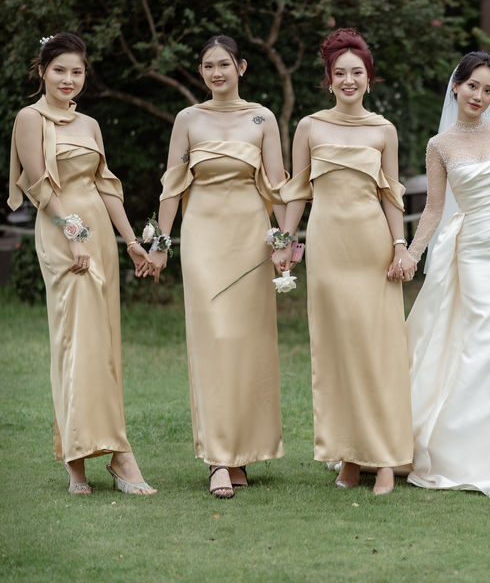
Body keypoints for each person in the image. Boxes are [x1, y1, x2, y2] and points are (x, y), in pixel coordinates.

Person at [7, 32, 156, 495]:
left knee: (103, 344)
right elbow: (39, 186)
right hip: (62, 236)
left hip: (99, 238)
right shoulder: (30, 119)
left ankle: (116, 454)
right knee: (74, 342)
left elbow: (106, 186)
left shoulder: (90, 123)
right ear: (42, 72)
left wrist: (131, 241)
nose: (68, 79)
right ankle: (77, 460)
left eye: (77, 71)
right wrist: (74, 236)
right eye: (59, 70)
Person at [147, 35, 287, 499]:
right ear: (201, 72)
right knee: (214, 339)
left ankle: (241, 454)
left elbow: (277, 184)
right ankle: (217, 459)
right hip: (203, 237)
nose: (216, 73)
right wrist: (160, 244)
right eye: (208, 66)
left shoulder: (262, 118)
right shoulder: (188, 119)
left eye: (224, 64)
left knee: (247, 341)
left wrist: (284, 239)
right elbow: (172, 185)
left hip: (250, 236)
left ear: (241, 67)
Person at [274, 28, 412, 495]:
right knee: (336, 353)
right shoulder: (310, 127)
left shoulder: (383, 130)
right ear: (329, 80)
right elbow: (297, 192)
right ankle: (349, 457)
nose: (348, 80)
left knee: (376, 353)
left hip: (371, 248)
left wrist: (400, 246)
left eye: (357, 72)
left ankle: (385, 460)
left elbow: (391, 195)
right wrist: (284, 241)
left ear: (369, 79)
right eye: (340, 73)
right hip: (328, 247)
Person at [401, 52, 490, 497]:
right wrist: (412, 254)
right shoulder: (440, 146)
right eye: (473, 85)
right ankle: (478, 451)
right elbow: (434, 209)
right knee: (481, 349)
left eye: (488, 89)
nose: (479, 95)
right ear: (456, 86)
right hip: (475, 252)